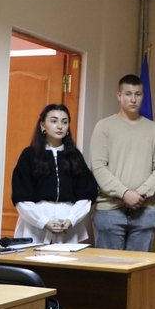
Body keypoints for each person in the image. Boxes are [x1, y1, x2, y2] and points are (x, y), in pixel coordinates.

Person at [90, 74, 155, 252]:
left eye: (138, 94)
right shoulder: (104, 127)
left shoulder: (154, 129)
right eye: (128, 94)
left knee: (139, 267)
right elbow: (98, 167)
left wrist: (140, 193)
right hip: (109, 210)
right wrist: (124, 193)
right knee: (108, 267)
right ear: (119, 95)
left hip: (145, 210)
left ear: (143, 96)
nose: (133, 99)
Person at [11, 103, 98, 243]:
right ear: (42, 125)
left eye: (65, 122)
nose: (60, 126)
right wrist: (43, 221)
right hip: (35, 225)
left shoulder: (75, 156)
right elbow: (21, 197)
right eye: (54, 121)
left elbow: (86, 193)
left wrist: (72, 218)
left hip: (68, 225)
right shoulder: (29, 155)